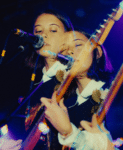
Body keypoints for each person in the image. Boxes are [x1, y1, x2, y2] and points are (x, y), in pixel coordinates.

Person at [4, 9, 73, 150]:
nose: (43, 35)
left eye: (53, 30)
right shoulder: (28, 81)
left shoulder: (74, 79)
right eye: (38, 31)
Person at [40, 30, 116, 150]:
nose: (69, 52)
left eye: (78, 45)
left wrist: (69, 132)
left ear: (97, 52)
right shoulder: (65, 106)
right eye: (63, 50)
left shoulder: (120, 94)